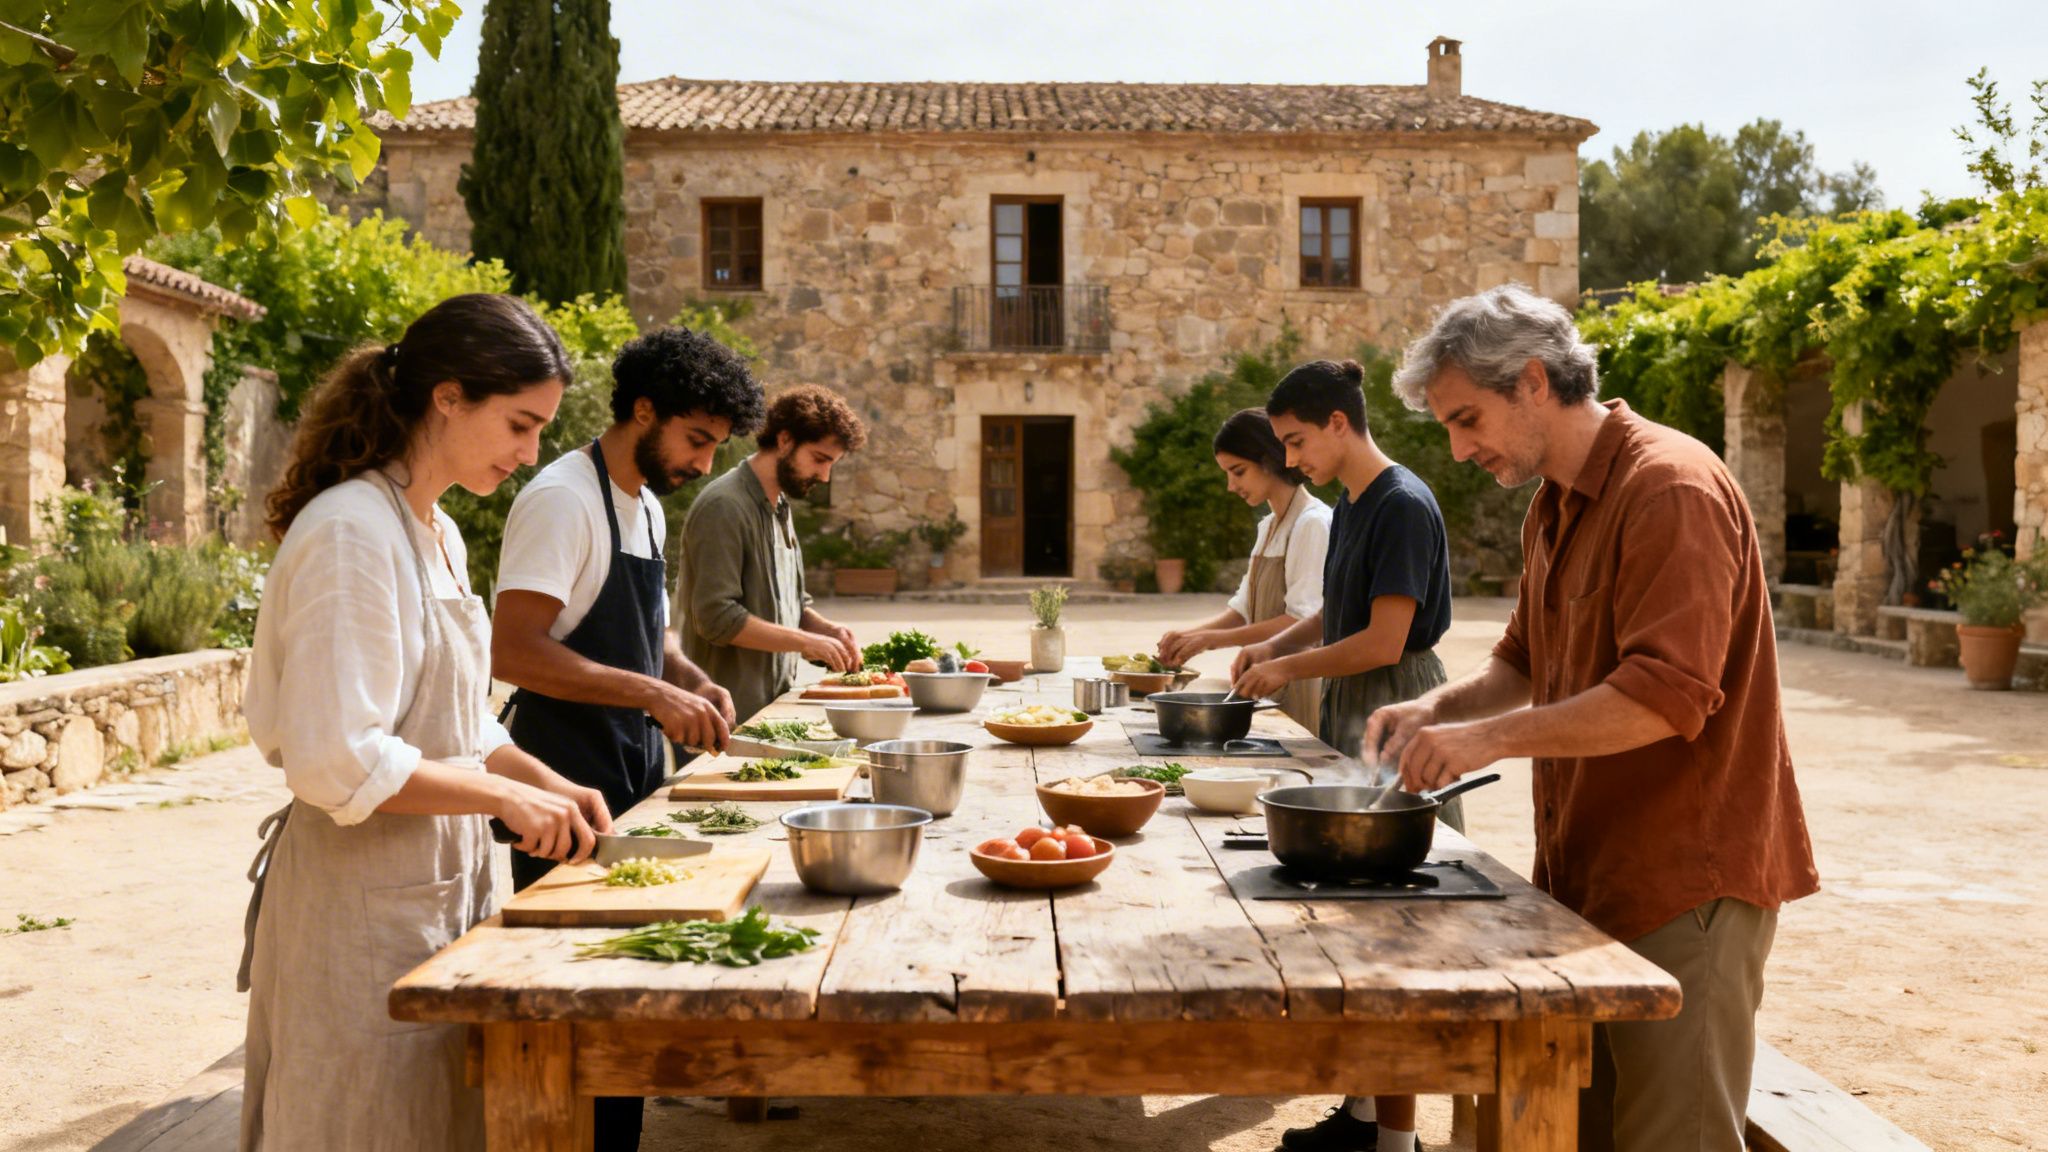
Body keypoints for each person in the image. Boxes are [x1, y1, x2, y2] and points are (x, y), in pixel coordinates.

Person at [1364, 284, 1819, 1152]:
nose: (1458, 451)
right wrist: (1435, 708)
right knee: (1585, 1133)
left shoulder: (1671, 488)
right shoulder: (1554, 501)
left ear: (1533, 381)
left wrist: (1483, 741)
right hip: (1591, 876)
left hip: (1689, 886)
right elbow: (1521, 663)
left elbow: (1663, 698)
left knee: (1669, 1142)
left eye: (1467, 420)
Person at [238, 294, 610, 1151]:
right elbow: (339, 756)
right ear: (448, 397)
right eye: (520, 425)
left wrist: (547, 782)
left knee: (444, 1118)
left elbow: (456, 719)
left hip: (440, 885)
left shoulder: (437, 531)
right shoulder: (351, 534)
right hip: (357, 907)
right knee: (363, 1122)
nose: (530, 454)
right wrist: (502, 803)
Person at [1228, 360, 1455, 1152]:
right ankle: (1362, 1117)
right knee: (1355, 929)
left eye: (1296, 442)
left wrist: (1285, 667)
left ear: (1337, 423)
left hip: (1398, 705)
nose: (1291, 462)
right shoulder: (1359, 502)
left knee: (1398, 936)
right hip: (1355, 705)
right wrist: (1276, 649)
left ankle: (1397, 1144)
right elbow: (1334, 613)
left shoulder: (1401, 502)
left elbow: (1384, 640)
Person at [679, 385, 868, 725]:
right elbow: (715, 618)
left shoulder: (779, 505)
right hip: (721, 720)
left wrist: (828, 632)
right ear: (784, 440)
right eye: (820, 459)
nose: (825, 476)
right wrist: (804, 642)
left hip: (770, 715)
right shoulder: (724, 505)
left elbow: (791, 604)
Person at [1156, 408, 1331, 730]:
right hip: (1264, 681)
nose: (1230, 486)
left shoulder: (1312, 524)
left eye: (1238, 471)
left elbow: (1301, 620)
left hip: (1299, 682)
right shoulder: (1269, 526)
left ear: (1269, 461)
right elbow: (1244, 609)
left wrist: (1209, 640)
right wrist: (1189, 636)